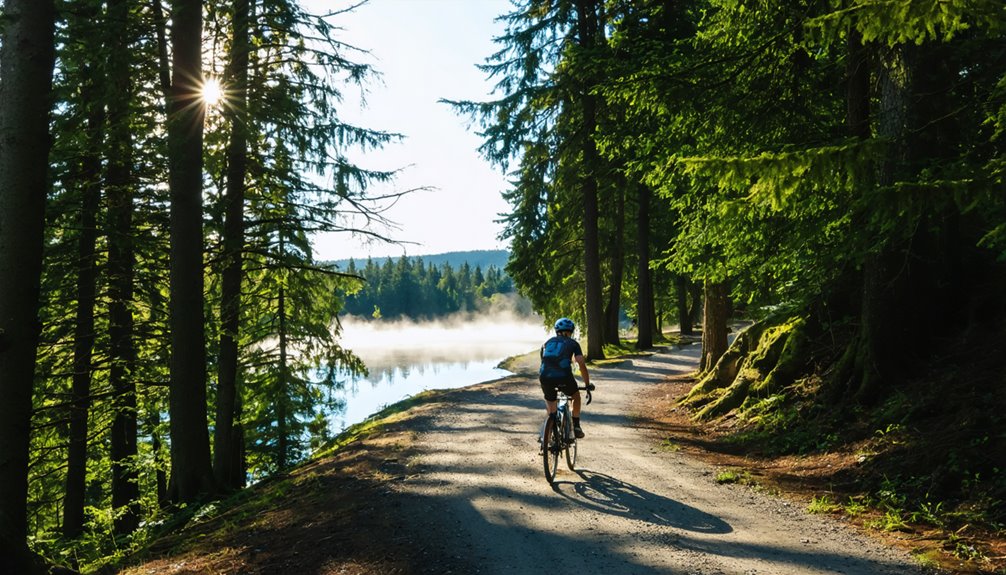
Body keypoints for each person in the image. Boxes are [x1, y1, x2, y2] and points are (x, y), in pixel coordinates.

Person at [539, 317, 592, 438]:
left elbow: (543, 361)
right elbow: (581, 364)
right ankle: (576, 425)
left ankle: (547, 435)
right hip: (564, 376)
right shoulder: (573, 344)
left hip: (545, 376)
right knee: (575, 396)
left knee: (551, 404)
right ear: (571, 331)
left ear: (556, 331)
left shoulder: (547, 343)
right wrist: (587, 384)